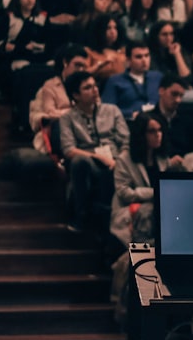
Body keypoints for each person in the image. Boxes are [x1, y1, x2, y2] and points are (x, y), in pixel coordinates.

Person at [58, 71, 129, 234]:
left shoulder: (112, 110)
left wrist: (121, 160)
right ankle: (81, 215)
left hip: (117, 159)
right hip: (89, 160)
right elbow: (69, 150)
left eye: (95, 86)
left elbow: (126, 141)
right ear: (75, 95)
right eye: (87, 88)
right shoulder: (67, 118)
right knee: (78, 162)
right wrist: (100, 158)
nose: (95, 90)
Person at [110, 112, 182, 247]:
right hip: (129, 212)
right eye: (152, 131)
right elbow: (124, 193)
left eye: (160, 130)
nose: (158, 135)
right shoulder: (124, 159)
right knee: (148, 210)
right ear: (141, 134)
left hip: (158, 211)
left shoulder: (163, 158)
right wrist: (155, 193)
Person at [101, 40, 162, 119]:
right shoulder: (114, 81)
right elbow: (107, 111)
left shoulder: (157, 77)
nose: (144, 60)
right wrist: (130, 114)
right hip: (130, 123)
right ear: (128, 60)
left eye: (147, 56)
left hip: (157, 121)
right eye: (139, 57)